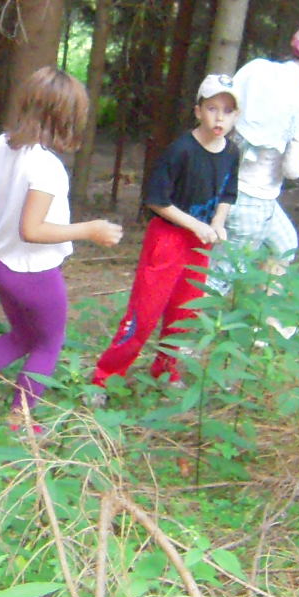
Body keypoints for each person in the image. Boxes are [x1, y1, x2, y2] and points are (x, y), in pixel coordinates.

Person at [0, 67, 123, 435]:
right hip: (33, 274)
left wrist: (12, 219)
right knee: (49, 344)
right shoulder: (47, 167)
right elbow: (32, 230)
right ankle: (22, 423)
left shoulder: (1, 145)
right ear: (63, 118)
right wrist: (90, 230)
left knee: (23, 336)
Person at [89, 75, 240, 392]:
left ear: (236, 116)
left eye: (228, 111)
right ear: (198, 111)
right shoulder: (181, 151)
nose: (220, 118)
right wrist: (194, 224)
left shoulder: (231, 153)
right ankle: (105, 378)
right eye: (212, 108)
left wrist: (218, 222)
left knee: (185, 311)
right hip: (168, 238)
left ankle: (166, 371)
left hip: (200, 244)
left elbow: (228, 193)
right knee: (144, 313)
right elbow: (157, 200)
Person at [219, 20, 299, 281]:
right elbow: (293, 170)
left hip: (222, 176)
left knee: (285, 245)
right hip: (253, 195)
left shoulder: (255, 69)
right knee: (223, 273)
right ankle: (198, 309)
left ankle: (263, 306)